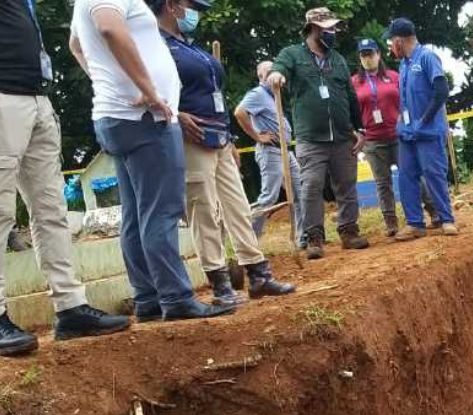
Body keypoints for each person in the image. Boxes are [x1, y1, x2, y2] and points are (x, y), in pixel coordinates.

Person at [69, 0, 233, 321]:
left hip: (121, 115)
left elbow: (76, 44)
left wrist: (106, 81)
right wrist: (147, 88)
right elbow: (108, 27)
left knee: (136, 212)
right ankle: (176, 297)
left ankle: (148, 297)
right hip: (144, 117)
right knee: (162, 210)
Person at [0, 0, 130, 355]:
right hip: (4, 97)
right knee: (1, 212)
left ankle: (70, 307)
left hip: (36, 97)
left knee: (51, 210)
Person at [149, 0, 295, 307]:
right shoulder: (154, 45)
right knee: (204, 211)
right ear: (171, 6)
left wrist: (229, 136)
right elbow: (148, 88)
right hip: (191, 138)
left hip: (218, 136)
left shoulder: (190, 46)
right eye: (190, 7)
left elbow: (214, 94)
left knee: (237, 206)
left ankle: (258, 274)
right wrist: (175, 114)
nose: (195, 14)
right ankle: (220, 285)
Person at [266, 7, 369, 260]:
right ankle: (314, 237)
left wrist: (360, 129)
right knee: (311, 186)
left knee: (346, 184)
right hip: (310, 138)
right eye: (328, 29)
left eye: (334, 28)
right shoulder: (293, 54)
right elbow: (278, 68)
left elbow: (350, 97)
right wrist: (276, 75)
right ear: (313, 28)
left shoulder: (339, 60)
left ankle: (349, 231)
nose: (333, 33)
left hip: (342, 136)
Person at [351, 39, 442, 237]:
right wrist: (356, 131)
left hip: (398, 135)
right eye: (363, 55)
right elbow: (352, 110)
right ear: (359, 58)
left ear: (379, 54)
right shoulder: (355, 82)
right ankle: (390, 221)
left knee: (412, 175)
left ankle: (433, 211)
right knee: (382, 182)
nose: (368, 58)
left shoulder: (394, 76)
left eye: (371, 53)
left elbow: (407, 99)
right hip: (373, 140)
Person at [384, 18, 458, 241]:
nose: (390, 47)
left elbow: (441, 90)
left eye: (391, 42)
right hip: (407, 132)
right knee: (406, 177)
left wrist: (425, 120)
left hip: (427, 131)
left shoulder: (426, 57)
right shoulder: (404, 64)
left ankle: (446, 219)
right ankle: (415, 223)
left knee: (434, 175)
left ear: (399, 40)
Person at [234, 61, 303, 243]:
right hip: (271, 152)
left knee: (299, 192)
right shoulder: (257, 94)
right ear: (260, 76)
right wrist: (257, 136)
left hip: (285, 151)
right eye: (268, 71)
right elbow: (239, 112)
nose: (272, 73)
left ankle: (302, 237)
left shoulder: (274, 95)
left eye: (274, 70)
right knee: (269, 197)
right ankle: (248, 240)